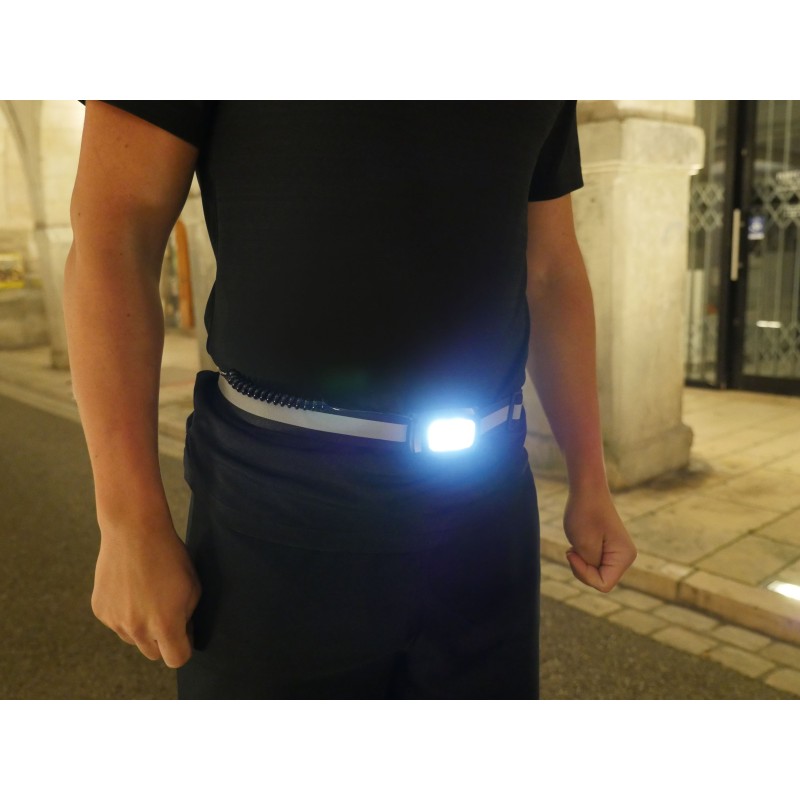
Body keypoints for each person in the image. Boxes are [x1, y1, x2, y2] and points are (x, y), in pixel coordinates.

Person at [64, 100, 637, 699]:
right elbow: (115, 232)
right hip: (275, 508)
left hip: (488, 505)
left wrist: (589, 479)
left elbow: (550, 268)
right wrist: (128, 523)